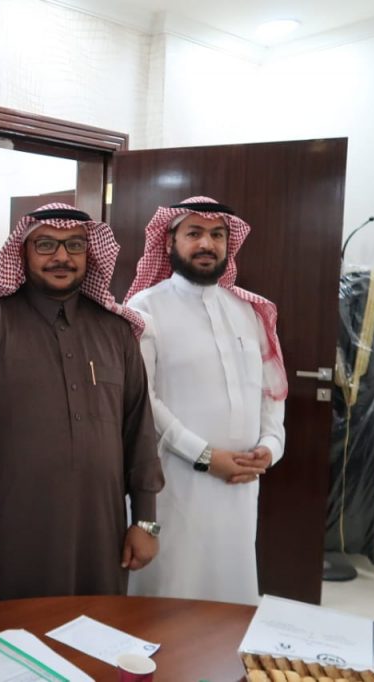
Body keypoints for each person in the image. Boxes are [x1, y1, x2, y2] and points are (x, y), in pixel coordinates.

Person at [0, 203, 164, 605]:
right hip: (7, 533)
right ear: (23, 252)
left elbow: (139, 430)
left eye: (74, 245)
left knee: (96, 632)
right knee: (9, 638)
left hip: (100, 534)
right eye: (46, 244)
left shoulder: (116, 332)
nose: (62, 256)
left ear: (90, 253)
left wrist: (146, 521)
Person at [124, 196, 288, 605]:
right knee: (171, 594)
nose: (206, 244)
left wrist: (271, 447)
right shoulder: (145, 308)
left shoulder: (248, 310)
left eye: (217, 235)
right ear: (169, 242)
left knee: (231, 595)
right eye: (194, 233)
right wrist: (203, 455)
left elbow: (271, 390)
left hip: (241, 486)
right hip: (175, 483)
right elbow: (142, 399)